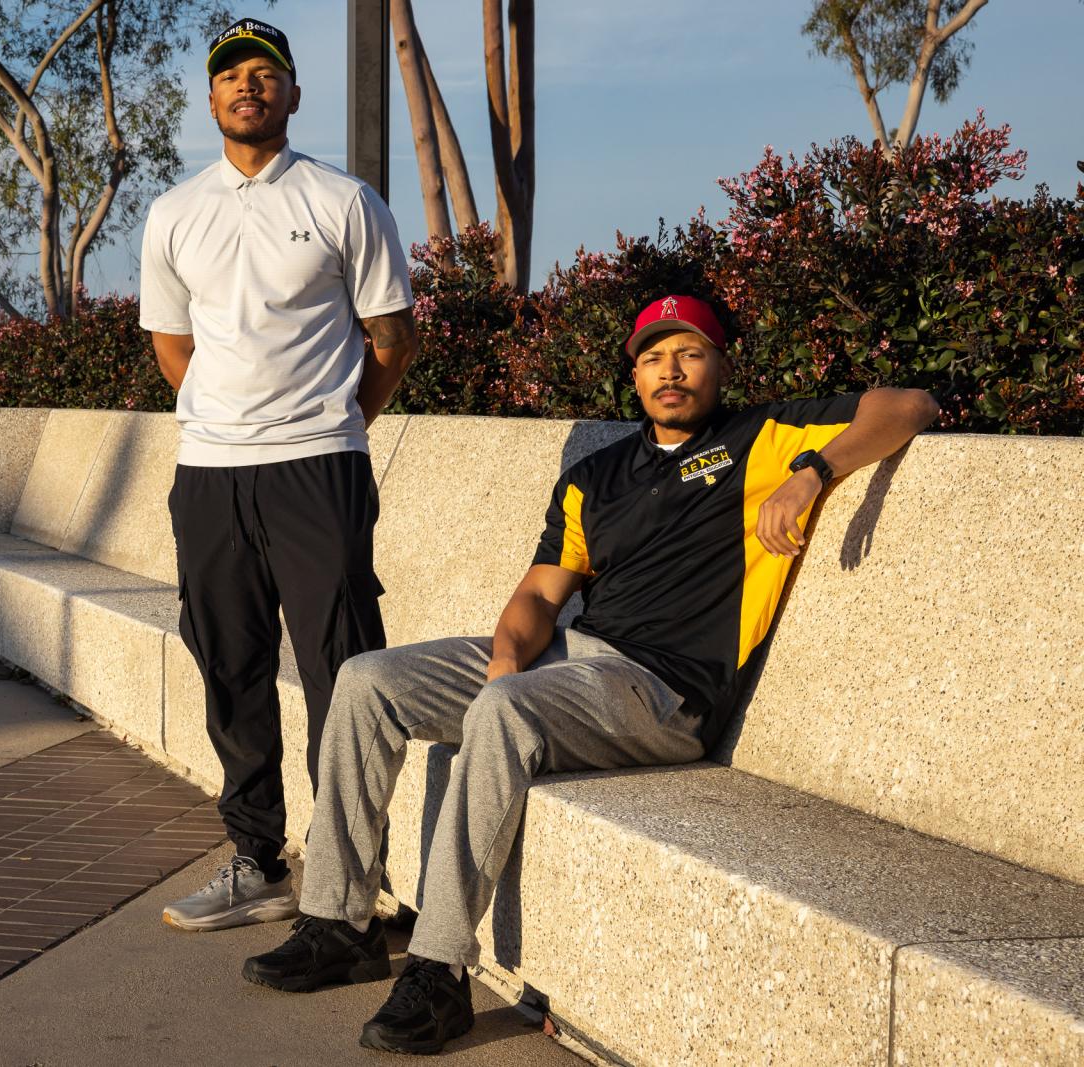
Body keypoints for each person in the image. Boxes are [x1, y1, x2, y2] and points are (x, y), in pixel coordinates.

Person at [241, 294, 941, 1055]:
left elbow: (910, 403)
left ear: (722, 364)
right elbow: (541, 594)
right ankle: (340, 922)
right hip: (567, 665)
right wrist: (506, 663)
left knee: (504, 710)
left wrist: (812, 473)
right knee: (366, 679)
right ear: (634, 374)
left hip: (662, 691)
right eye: (652, 357)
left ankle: (440, 973)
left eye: (690, 353)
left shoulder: (764, 435)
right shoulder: (596, 474)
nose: (669, 371)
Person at [139, 17, 418, 931]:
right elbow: (172, 345)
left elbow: (392, 340)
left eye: (266, 74)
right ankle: (257, 861)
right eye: (230, 76)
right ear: (211, 99)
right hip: (210, 474)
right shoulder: (176, 213)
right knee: (231, 666)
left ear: (294, 95)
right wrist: (228, 420)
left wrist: (332, 421)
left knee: (343, 669)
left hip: (317, 470)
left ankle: (349, 878)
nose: (247, 87)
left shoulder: (345, 201)